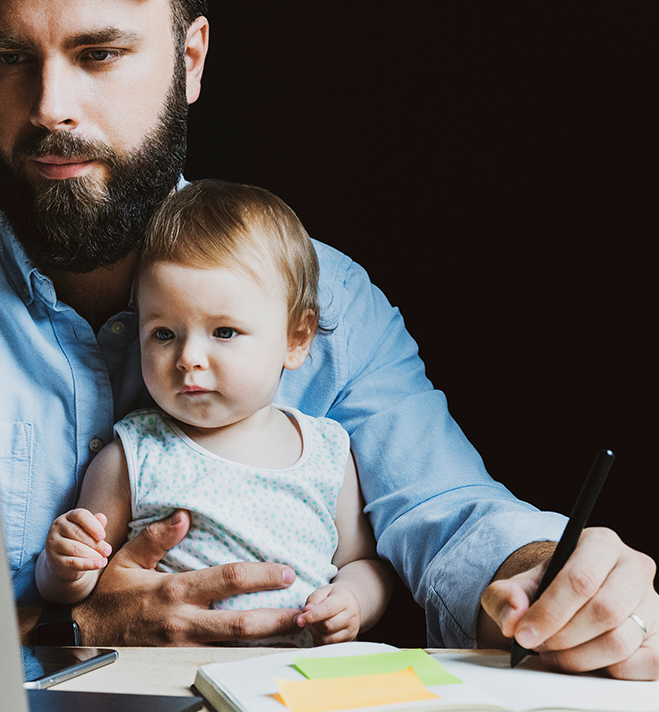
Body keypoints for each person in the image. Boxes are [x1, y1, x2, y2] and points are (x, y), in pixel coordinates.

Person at [0, 0, 659, 679]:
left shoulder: (326, 297)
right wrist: (67, 628)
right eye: (10, 58)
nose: (51, 107)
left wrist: (543, 580)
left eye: (99, 55)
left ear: (190, 60)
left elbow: (447, 511)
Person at [36, 180, 393, 646]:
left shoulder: (325, 452)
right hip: (170, 681)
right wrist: (64, 563)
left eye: (223, 332)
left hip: (295, 681)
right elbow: (78, 592)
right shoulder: (132, 455)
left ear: (296, 339)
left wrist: (354, 601)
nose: (189, 358)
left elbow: (360, 563)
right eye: (164, 334)